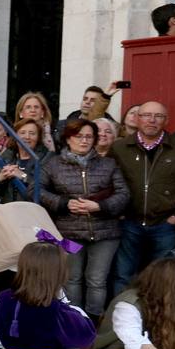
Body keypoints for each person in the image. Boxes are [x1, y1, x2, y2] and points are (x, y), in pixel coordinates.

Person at [39, 119, 128, 317]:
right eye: (79, 136)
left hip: (105, 232)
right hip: (69, 231)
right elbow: (36, 190)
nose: (84, 140)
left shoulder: (108, 164)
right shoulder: (53, 164)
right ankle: (73, 320)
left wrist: (100, 206)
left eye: (89, 136)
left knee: (97, 280)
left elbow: (123, 194)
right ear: (68, 139)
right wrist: (64, 203)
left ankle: (93, 324)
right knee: (72, 279)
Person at [109, 101, 175, 291]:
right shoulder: (119, 148)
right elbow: (108, 182)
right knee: (122, 276)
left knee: (162, 279)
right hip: (129, 223)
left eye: (158, 116)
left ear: (166, 120)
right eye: (146, 115)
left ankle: (157, 319)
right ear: (137, 118)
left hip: (165, 224)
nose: (152, 120)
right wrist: (118, 211)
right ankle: (119, 316)